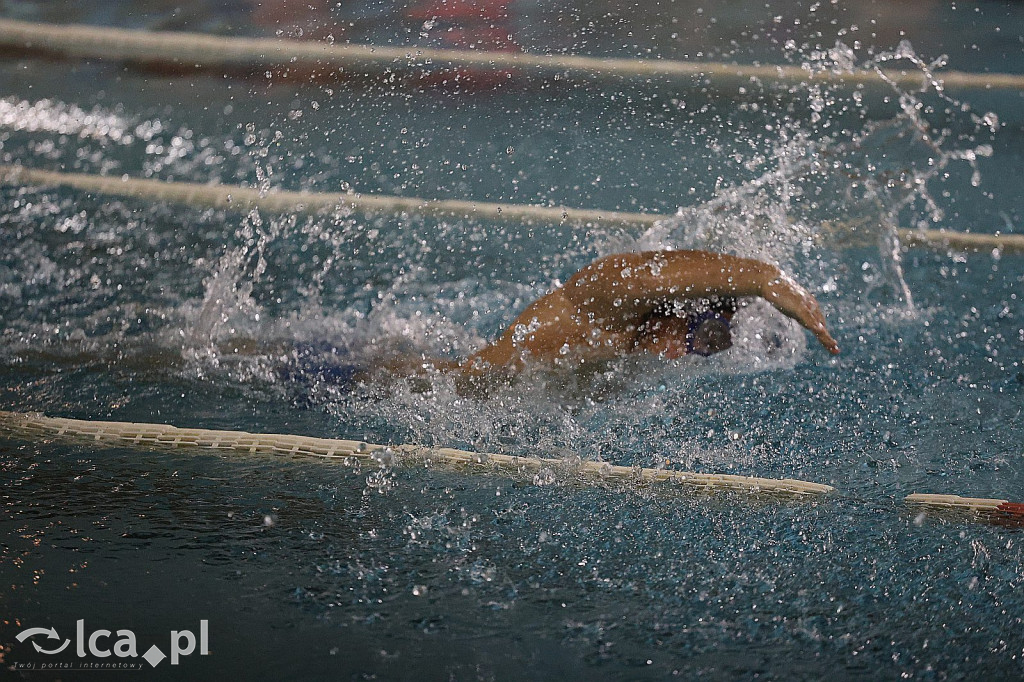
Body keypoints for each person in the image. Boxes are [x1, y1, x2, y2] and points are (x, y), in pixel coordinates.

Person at [377, 249, 838, 380]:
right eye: (696, 335)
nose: (682, 354)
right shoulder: (604, 308)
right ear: (676, 309)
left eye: (704, 351)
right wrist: (764, 278)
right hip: (367, 380)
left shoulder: (632, 359)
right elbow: (643, 274)